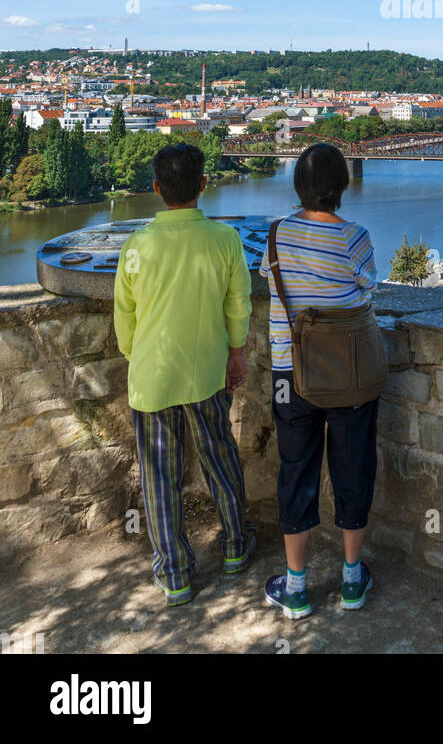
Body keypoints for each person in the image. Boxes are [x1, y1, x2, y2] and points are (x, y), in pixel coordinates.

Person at [113, 143, 254, 604]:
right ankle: (235, 546)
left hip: (152, 376)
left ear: (155, 189)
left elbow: (125, 319)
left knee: (159, 475)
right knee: (219, 456)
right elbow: (238, 306)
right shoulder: (225, 240)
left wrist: (138, 357)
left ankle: (175, 573)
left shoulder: (136, 246)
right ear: (203, 185)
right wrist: (236, 353)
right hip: (207, 370)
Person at [259, 141, 378, 620]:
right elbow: (369, 287)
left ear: (298, 188)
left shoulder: (275, 237)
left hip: (292, 373)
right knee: (353, 467)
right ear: (342, 186)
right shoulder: (356, 236)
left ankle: (296, 586)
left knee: (295, 469)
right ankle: (351, 578)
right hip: (347, 370)